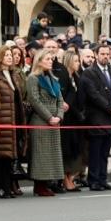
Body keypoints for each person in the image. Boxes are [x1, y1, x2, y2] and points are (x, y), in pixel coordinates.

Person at [80, 43, 111, 191]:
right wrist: (110, 108)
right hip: (96, 117)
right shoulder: (90, 72)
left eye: (107, 54)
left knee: (104, 152)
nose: (105, 56)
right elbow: (94, 95)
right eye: (102, 54)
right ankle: (94, 180)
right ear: (97, 55)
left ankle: (103, 179)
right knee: (95, 151)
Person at [26, 49, 66, 197]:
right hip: (41, 121)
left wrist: (59, 116)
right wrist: (49, 117)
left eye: (51, 59)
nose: (51, 61)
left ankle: (48, 182)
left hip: (55, 122)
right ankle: (39, 184)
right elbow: (34, 100)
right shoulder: (33, 78)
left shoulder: (53, 79)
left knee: (52, 153)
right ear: (39, 60)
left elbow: (60, 100)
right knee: (41, 154)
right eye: (47, 59)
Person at [0, 43, 24, 199]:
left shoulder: (13, 75)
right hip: (2, 119)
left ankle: (7, 186)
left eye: (11, 56)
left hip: (12, 120)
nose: (10, 58)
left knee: (8, 156)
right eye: (7, 55)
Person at [59, 50, 86, 192]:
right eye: (75, 61)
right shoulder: (63, 77)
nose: (78, 64)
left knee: (75, 149)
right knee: (66, 149)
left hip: (76, 119)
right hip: (67, 118)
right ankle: (65, 178)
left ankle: (71, 176)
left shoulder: (77, 78)